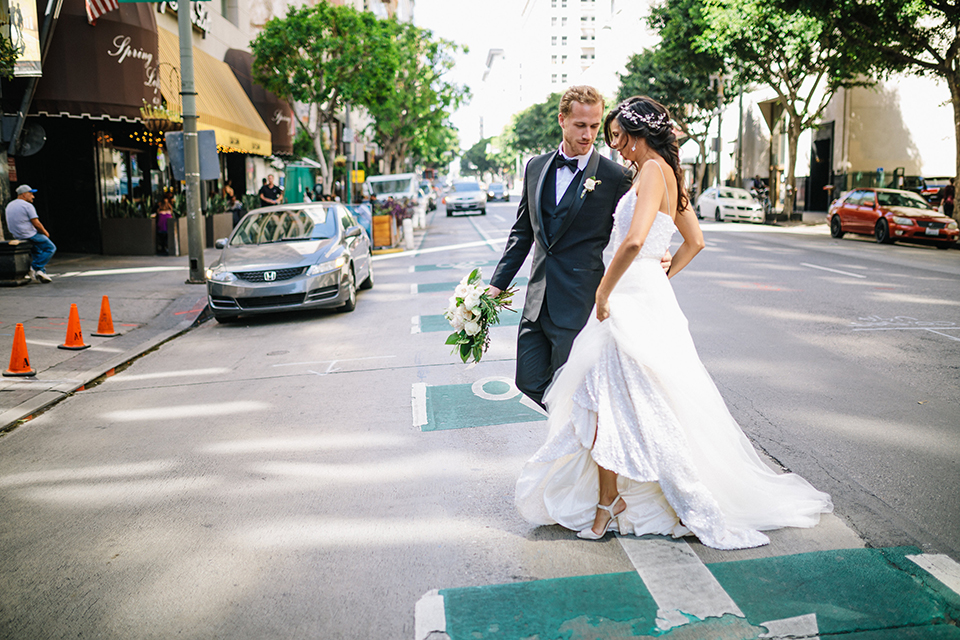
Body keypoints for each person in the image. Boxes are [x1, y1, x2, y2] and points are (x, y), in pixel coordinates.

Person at [515, 96, 833, 550]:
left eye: (618, 137)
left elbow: (635, 240)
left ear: (635, 132)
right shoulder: (668, 172)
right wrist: (659, 273)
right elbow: (695, 241)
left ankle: (635, 501)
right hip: (646, 294)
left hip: (626, 299)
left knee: (618, 401)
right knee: (615, 398)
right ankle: (611, 499)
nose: (615, 147)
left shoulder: (648, 172)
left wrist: (606, 291)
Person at [486, 85, 647, 409]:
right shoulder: (535, 167)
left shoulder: (614, 176)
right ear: (562, 120)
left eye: (594, 126)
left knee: (571, 384)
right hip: (537, 301)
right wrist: (495, 286)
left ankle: (574, 440)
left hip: (579, 302)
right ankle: (576, 426)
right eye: (580, 125)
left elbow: (632, 232)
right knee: (527, 379)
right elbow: (522, 234)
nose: (588, 134)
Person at [5, 185, 55, 283]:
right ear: (24, 194)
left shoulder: (10, 205)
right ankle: (35, 267)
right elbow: (36, 223)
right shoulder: (27, 205)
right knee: (50, 248)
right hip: (29, 234)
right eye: (31, 194)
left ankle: (41, 272)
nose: (33, 197)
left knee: (37, 251)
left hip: (17, 235)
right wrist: (45, 232)